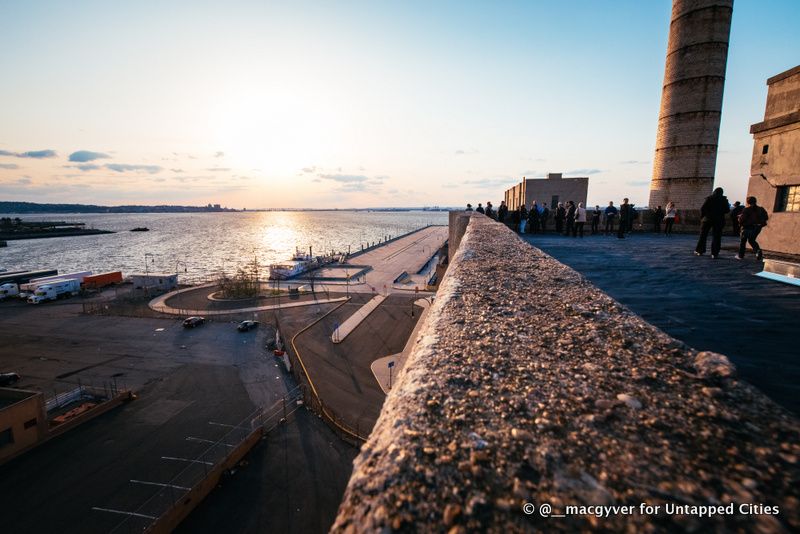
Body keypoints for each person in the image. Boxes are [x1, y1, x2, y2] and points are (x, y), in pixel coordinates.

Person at [694, 187, 730, 258]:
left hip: (707, 219)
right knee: (717, 236)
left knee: (703, 236)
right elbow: (727, 210)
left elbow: (702, 208)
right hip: (719, 220)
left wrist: (702, 217)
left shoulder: (709, 198)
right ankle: (714, 253)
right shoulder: (724, 200)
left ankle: (700, 251)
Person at [736, 196, 768, 261]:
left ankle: (740, 256)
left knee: (743, 241)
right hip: (757, 227)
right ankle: (758, 251)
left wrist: (739, 217)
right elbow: (766, 217)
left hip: (747, 227)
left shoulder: (747, 209)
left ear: (748, 202)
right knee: (752, 240)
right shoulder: (761, 209)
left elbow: (742, 219)